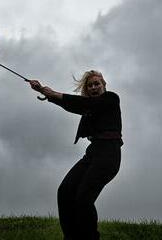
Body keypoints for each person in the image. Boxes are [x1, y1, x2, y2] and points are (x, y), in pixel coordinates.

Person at [29, 70, 122, 240]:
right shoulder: (88, 106)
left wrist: (53, 94)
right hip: (93, 153)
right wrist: (45, 92)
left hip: (109, 153)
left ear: (104, 85)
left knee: (83, 199)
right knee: (65, 191)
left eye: (97, 84)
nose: (94, 87)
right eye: (90, 85)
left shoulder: (111, 99)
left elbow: (84, 104)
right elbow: (74, 105)